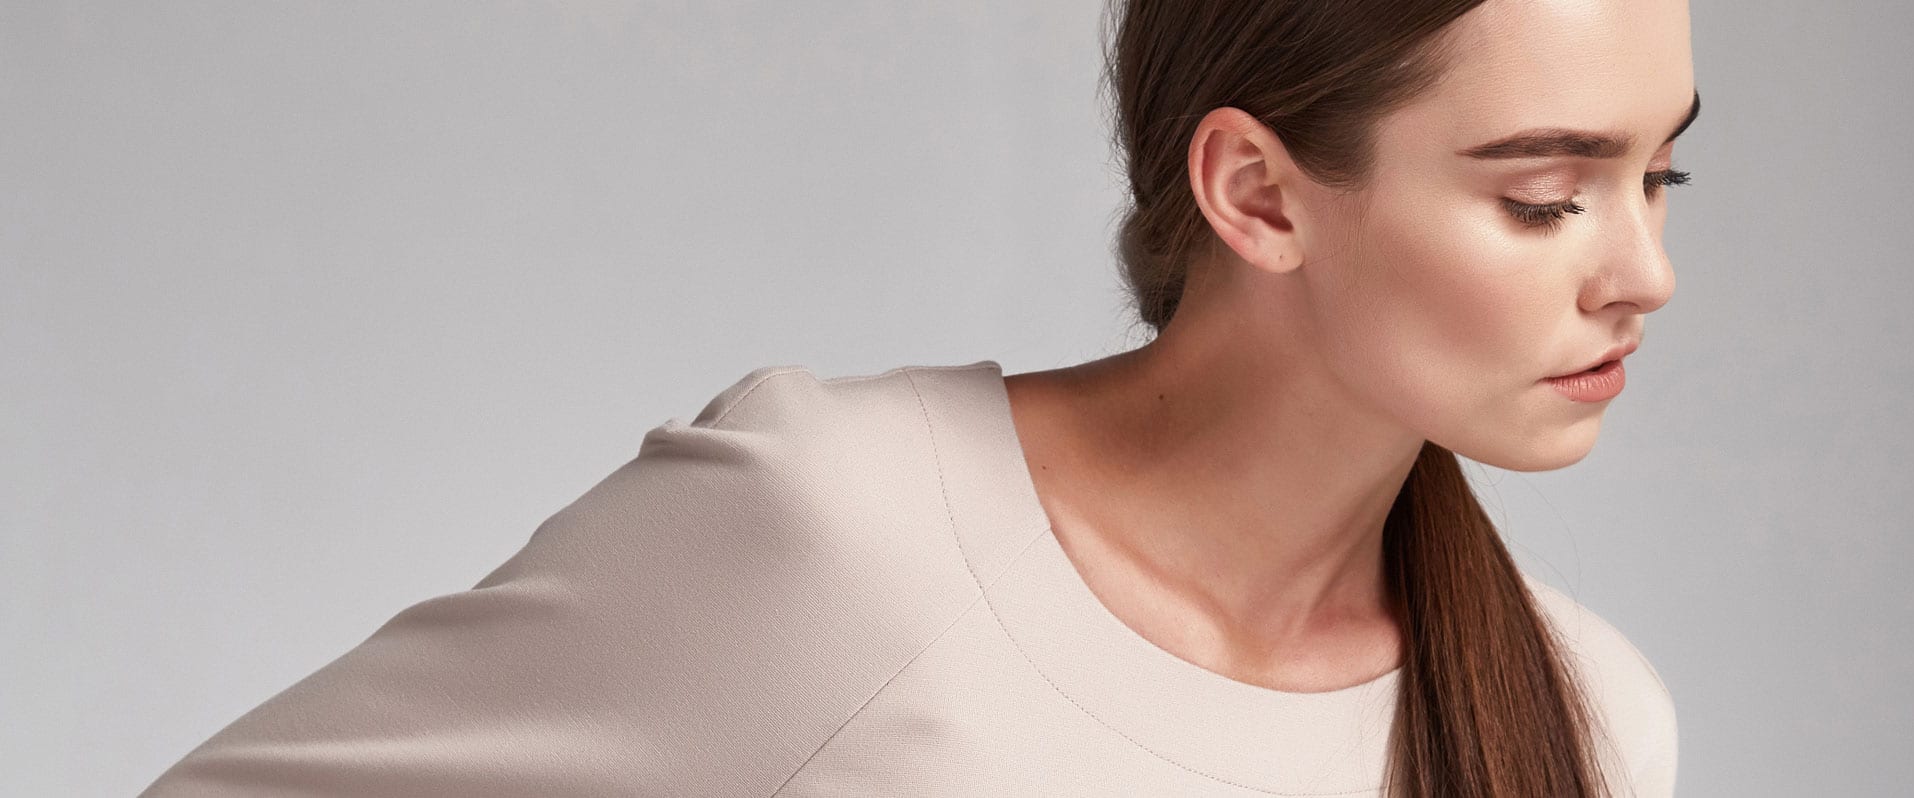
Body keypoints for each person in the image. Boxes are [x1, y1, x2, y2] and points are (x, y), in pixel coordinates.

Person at [141, 0, 1694, 795]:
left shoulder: (1585, 714)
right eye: (1545, 196)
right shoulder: (844, 532)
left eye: (1660, 176)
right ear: (1255, 193)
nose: (1644, 271)